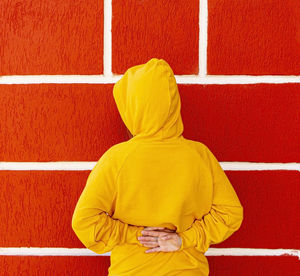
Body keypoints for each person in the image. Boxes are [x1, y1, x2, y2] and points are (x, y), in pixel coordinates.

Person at [71, 58, 244, 275]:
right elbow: (230, 213)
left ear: (132, 107)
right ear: (173, 103)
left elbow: (85, 222)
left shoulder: (116, 159)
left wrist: (134, 235)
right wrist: (183, 240)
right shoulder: (199, 155)